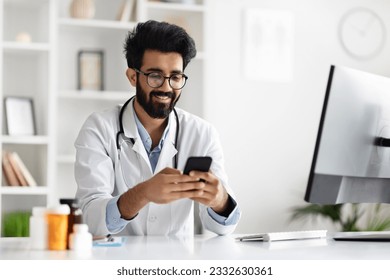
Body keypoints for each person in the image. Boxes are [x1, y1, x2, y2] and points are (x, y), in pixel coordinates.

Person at [74, 20, 241, 236]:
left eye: (175, 77)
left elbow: (223, 227)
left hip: (176, 266)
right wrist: (143, 193)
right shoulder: (99, 128)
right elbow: (90, 219)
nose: (166, 87)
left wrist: (220, 200)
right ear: (133, 77)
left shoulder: (202, 133)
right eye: (155, 76)